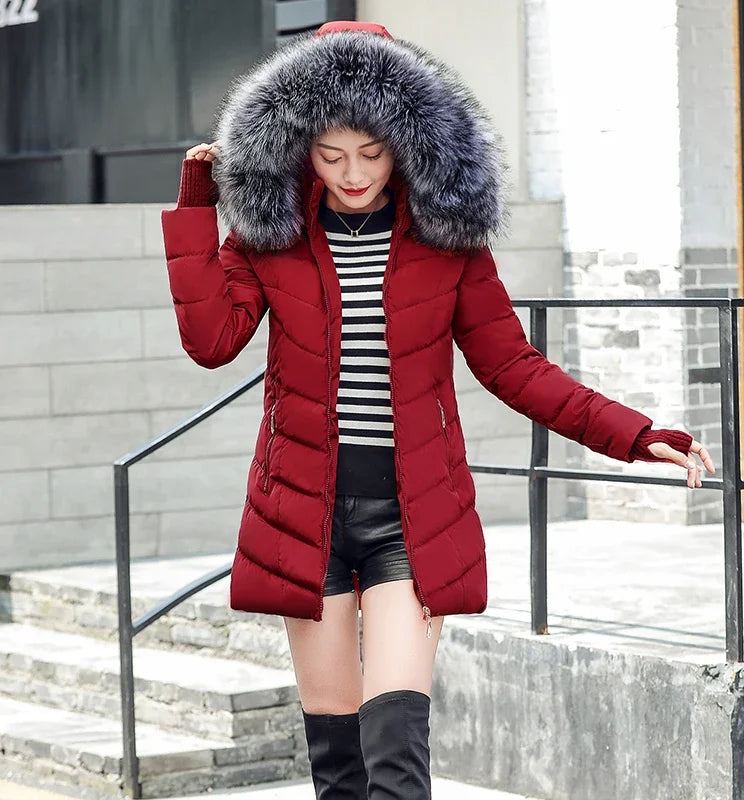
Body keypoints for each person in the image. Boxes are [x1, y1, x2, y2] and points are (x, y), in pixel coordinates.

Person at [160, 20, 715, 800]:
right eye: (331, 154)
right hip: (303, 516)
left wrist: (636, 434)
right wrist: (199, 209)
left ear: (405, 141)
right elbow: (211, 340)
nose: (354, 173)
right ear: (301, 147)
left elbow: (514, 367)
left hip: (411, 518)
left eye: (372, 152)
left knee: (395, 753)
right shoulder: (268, 235)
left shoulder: (447, 240)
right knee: (339, 764)